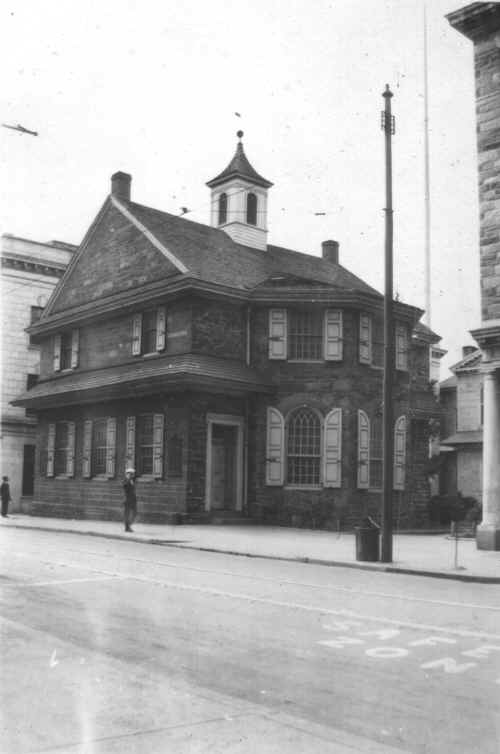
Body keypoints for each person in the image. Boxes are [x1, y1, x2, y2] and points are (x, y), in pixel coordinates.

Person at [123, 468, 137, 532]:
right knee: (127, 514)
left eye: (132, 474)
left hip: (133, 500)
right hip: (127, 500)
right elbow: (125, 486)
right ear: (128, 474)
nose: (132, 475)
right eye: (131, 474)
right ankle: (127, 527)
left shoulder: (132, 481)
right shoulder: (126, 481)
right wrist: (128, 479)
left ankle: (128, 525)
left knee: (134, 513)